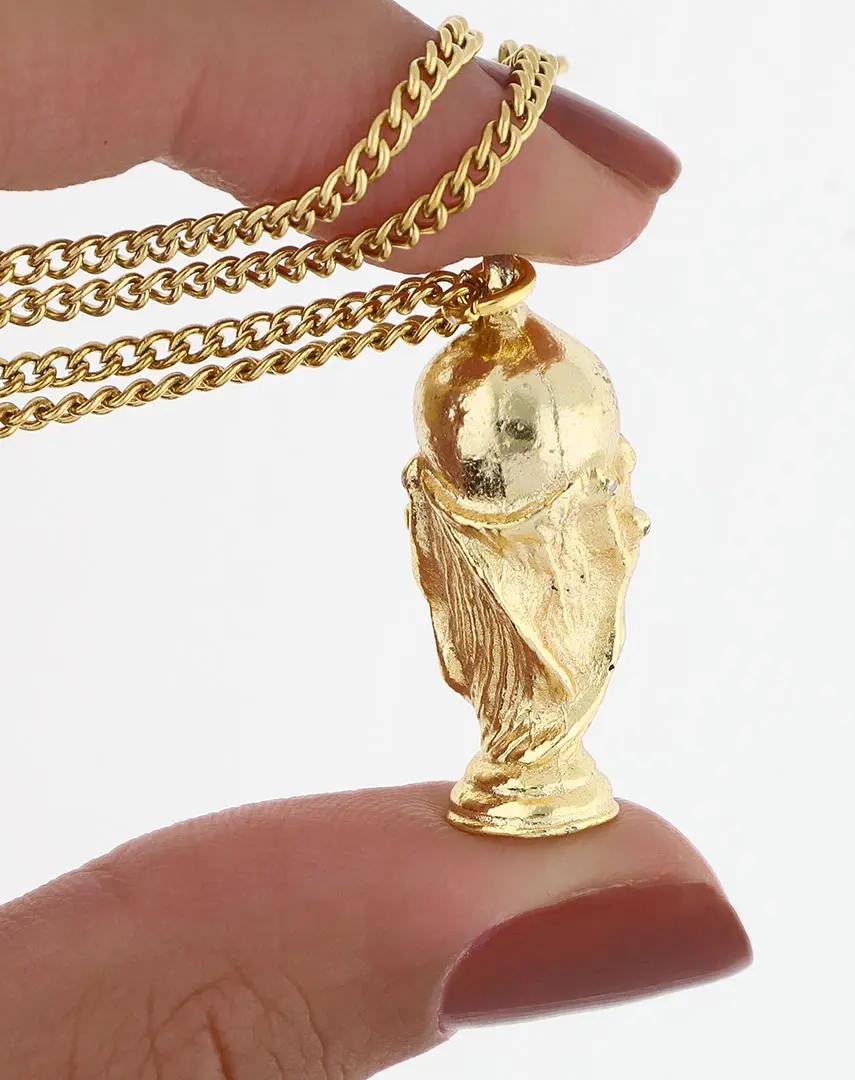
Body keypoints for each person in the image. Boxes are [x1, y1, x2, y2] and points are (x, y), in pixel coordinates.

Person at [0, 2, 751, 1076]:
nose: (626, 529)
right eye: (588, 507)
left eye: (607, 498)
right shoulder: (482, 552)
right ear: (445, 548)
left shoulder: (545, 492)